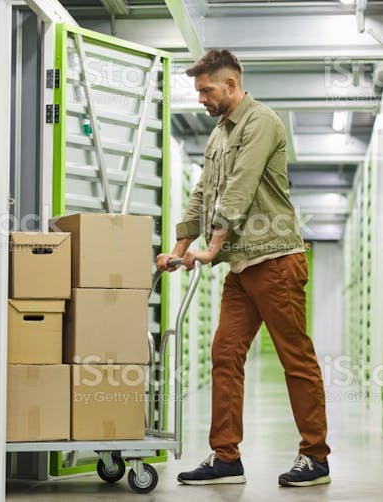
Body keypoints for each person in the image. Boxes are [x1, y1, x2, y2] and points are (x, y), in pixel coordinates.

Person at [156, 49, 331, 487]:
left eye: (205, 90)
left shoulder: (262, 123)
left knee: (296, 358)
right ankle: (226, 457)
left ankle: (315, 456)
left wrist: (211, 248)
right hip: (241, 267)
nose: (200, 99)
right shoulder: (218, 135)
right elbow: (203, 195)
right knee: (225, 353)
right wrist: (179, 249)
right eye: (197, 92)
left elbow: (239, 190)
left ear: (231, 85)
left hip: (275, 260)